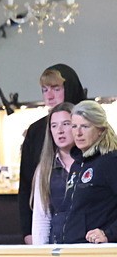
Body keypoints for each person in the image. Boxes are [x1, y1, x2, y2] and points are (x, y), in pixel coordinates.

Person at [18, 64, 86, 243]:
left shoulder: (92, 127)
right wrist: (28, 231)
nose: (49, 95)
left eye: (56, 89)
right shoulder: (36, 131)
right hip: (49, 229)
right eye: (44, 89)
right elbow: (26, 184)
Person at [60, 101, 117, 245]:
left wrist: (108, 234)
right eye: (74, 126)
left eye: (85, 126)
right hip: (72, 250)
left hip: (98, 253)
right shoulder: (77, 165)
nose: (78, 133)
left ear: (100, 129)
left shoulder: (110, 161)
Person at [31, 103, 76, 245]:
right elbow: (41, 217)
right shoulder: (44, 169)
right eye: (54, 126)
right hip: (58, 246)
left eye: (66, 124)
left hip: (90, 246)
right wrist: (40, 255)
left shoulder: (92, 164)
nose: (60, 131)